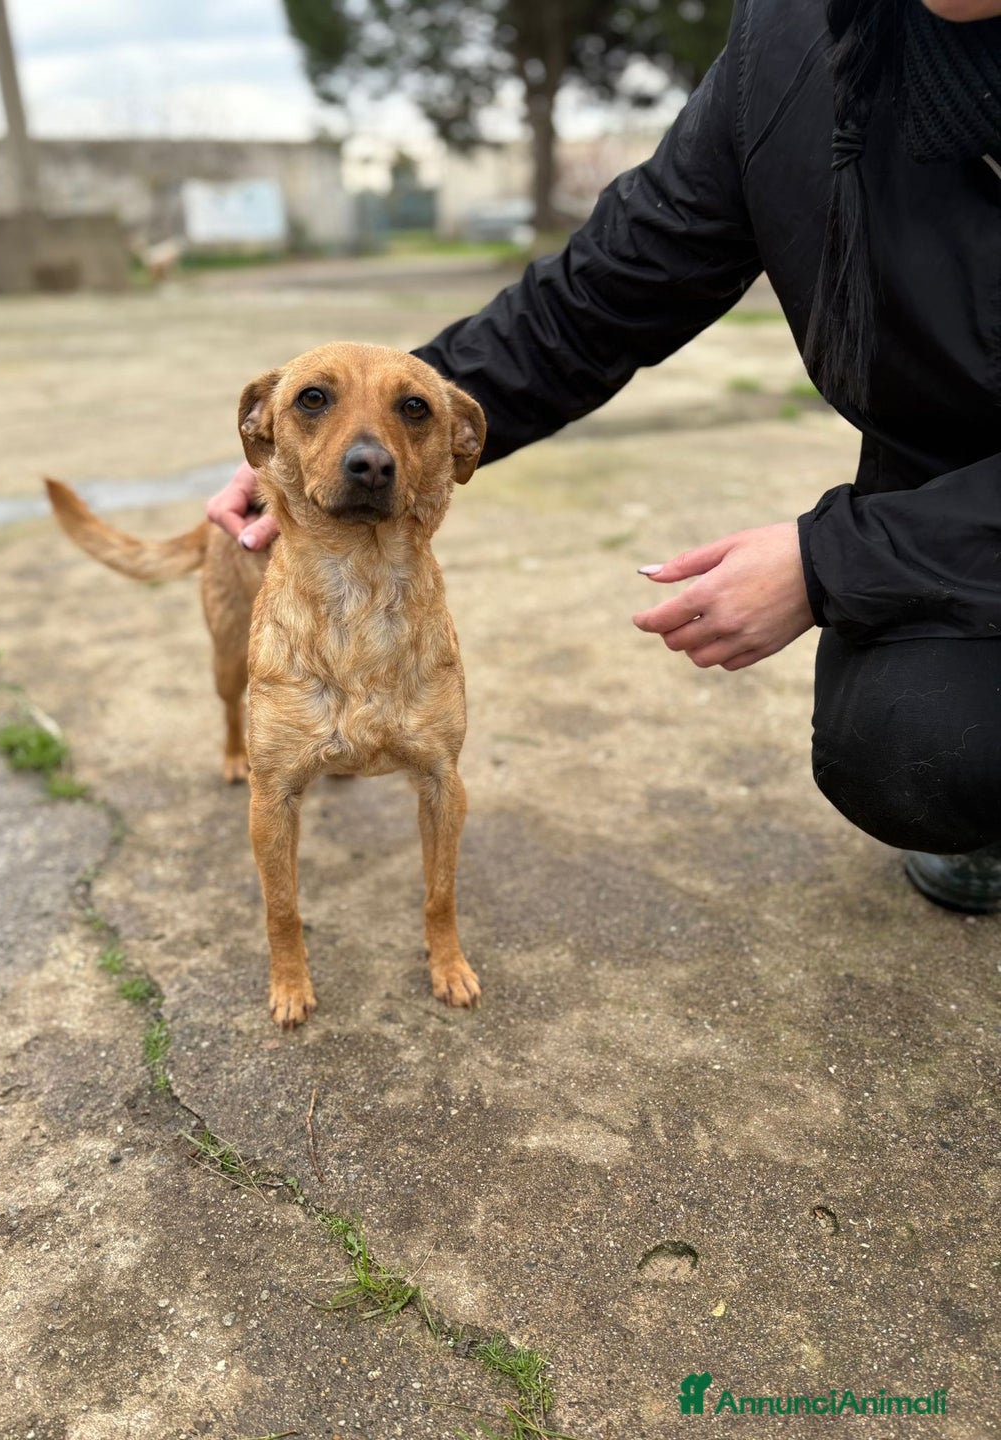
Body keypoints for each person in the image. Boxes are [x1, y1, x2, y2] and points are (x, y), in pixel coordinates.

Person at [208, 0, 1001, 912]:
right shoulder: (790, 41)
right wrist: (365, 429)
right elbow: (595, 298)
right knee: (914, 744)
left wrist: (829, 560)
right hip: (935, 488)